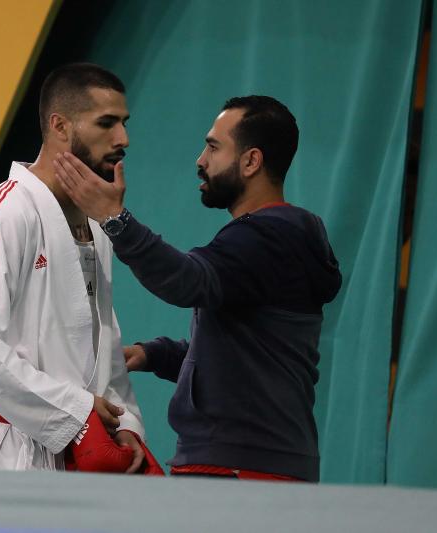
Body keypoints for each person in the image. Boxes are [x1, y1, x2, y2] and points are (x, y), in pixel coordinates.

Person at [54, 95, 342, 481]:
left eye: (213, 147)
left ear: (251, 161)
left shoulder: (267, 237)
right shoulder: (277, 239)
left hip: (241, 471)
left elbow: (186, 282)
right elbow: (244, 358)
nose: (200, 161)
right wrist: (154, 355)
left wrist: (113, 218)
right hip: (254, 465)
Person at [0, 63, 162, 475]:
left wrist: (125, 422)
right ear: (60, 125)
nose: (123, 139)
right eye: (106, 123)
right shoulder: (4, 211)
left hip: (78, 446)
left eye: (124, 123)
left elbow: (102, 348)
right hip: (2, 451)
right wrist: (75, 411)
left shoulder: (97, 224)